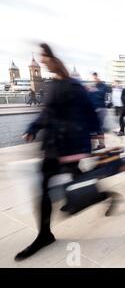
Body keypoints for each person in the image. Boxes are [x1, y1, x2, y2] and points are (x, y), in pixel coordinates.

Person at [15, 43, 119, 261]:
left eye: (44, 60)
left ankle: (104, 196)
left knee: (78, 184)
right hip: (53, 145)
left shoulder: (75, 86)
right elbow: (47, 113)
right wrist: (33, 128)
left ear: (53, 60)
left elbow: (91, 115)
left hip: (71, 146)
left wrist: (94, 142)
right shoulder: (51, 85)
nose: (42, 64)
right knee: (45, 187)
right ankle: (45, 234)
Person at [86, 72, 110, 150]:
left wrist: (95, 89)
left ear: (97, 77)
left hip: (101, 108)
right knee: (92, 128)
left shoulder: (103, 86)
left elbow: (103, 94)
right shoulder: (89, 87)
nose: (94, 79)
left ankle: (101, 145)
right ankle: (92, 146)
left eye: (95, 77)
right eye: (92, 78)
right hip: (92, 109)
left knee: (99, 127)